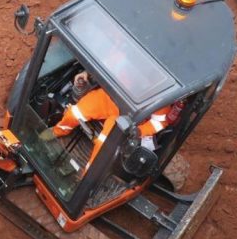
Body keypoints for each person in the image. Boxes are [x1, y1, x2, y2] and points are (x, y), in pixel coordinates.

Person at [42, 71, 176, 169]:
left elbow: (159, 122)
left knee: (104, 143)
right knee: (75, 113)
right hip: (110, 97)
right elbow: (106, 62)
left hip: (128, 118)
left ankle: (87, 176)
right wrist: (87, 73)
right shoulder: (131, 58)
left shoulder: (164, 91)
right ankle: (57, 131)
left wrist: (139, 131)